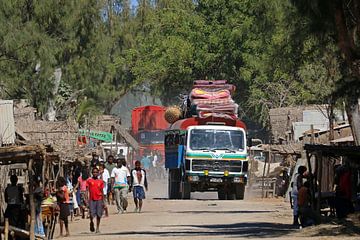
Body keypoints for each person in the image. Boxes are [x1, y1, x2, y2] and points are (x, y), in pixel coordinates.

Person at [87, 167, 105, 233]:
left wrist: (103, 201)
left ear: (98, 173)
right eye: (94, 172)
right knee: (91, 214)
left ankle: (97, 228)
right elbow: (87, 190)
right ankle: (91, 222)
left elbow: (102, 191)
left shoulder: (100, 181)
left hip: (99, 199)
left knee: (98, 214)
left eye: (96, 172)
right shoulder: (89, 181)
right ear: (92, 173)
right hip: (92, 199)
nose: (95, 173)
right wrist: (86, 199)